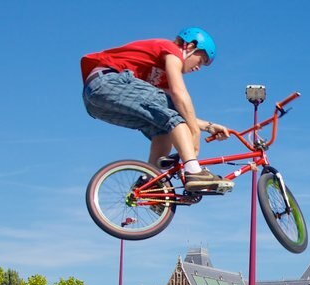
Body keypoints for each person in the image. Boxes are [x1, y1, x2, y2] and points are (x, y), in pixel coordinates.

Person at [81, 28, 232, 194]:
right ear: (190, 47)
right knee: (173, 116)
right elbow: (179, 93)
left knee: (162, 127)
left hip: (97, 103)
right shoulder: (171, 50)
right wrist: (195, 132)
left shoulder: (161, 78)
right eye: (201, 60)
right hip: (108, 81)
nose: (198, 68)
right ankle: (194, 171)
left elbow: (173, 108)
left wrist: (208, 126)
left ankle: (149, 182)